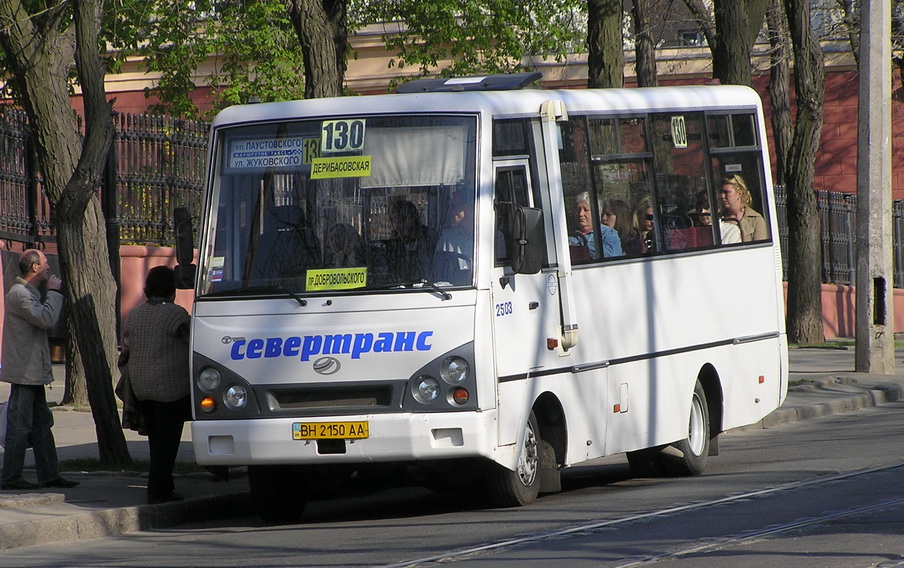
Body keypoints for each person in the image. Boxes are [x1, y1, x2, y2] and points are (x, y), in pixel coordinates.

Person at [1, 249, 79, 490]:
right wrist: (54, 292)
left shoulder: (27, 292)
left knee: (41, 424)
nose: (48, 267)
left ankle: (49, 474)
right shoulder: (20, 294)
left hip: (32, 371)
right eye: (45, 263)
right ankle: (11, 476)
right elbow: (46, 319)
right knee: (19, 425)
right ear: (34, 267)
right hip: (25, 372)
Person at [121, 266, 191, 504]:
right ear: (172, 289)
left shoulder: (134, 314)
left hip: (141, 386)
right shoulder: (176, 315)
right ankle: (158, 491)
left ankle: (163, 485)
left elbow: (127, 348)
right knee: (168, 442)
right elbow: (193, 343)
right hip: (169, 387)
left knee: (156, 440)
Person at [387, 199, 435, 282]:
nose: (399, 223)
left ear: (413, 217)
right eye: (395, 219)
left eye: (403, 218)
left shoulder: (430, 238)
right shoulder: (392, 245)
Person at [435, 191, 474, 284]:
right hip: (452, 292)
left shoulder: (491, 238)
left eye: (454, 206)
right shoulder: (447, 236)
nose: (450, 211)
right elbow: (439, 269)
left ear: (469, 206)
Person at [570, 192, 623, 258]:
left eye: (586, 210)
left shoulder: (608, 233)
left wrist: (580, 249)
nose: (580, 214)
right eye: (577, 210)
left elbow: (612, 255)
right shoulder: (567, 235)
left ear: (596, 213)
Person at [720, 174, 767, 242]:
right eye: (721, 192)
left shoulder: (756, 220)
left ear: (739, 193)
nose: (722, 196)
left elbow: (759, 249)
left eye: (726, 192)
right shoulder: (720, 220)